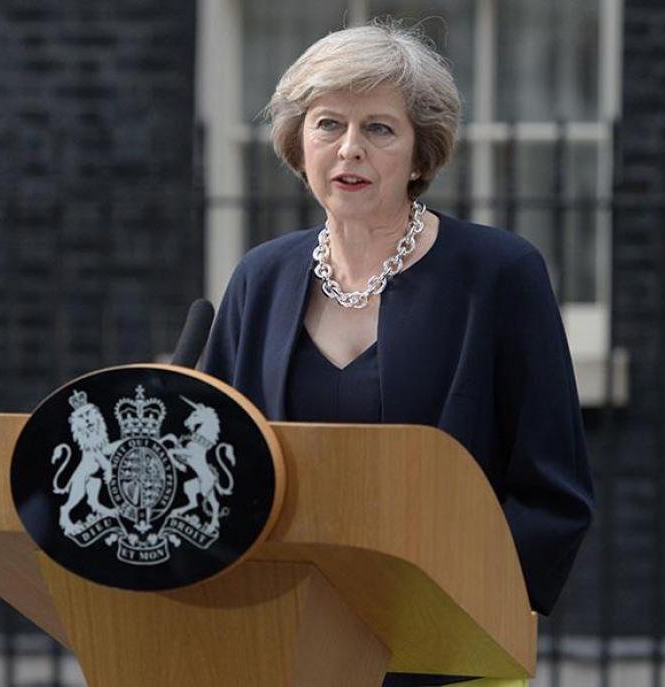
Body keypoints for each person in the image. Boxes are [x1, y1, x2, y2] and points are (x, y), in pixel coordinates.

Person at [202, 20, 594, 687]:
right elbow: (217, 468)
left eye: (379, 128)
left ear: (419, 154)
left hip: (444, 650)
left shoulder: (499, 276)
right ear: (299, 143)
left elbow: (553, 487)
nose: (349, 148)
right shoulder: (259, 279)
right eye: (328, 124)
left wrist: (457, 608)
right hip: (282, 646)